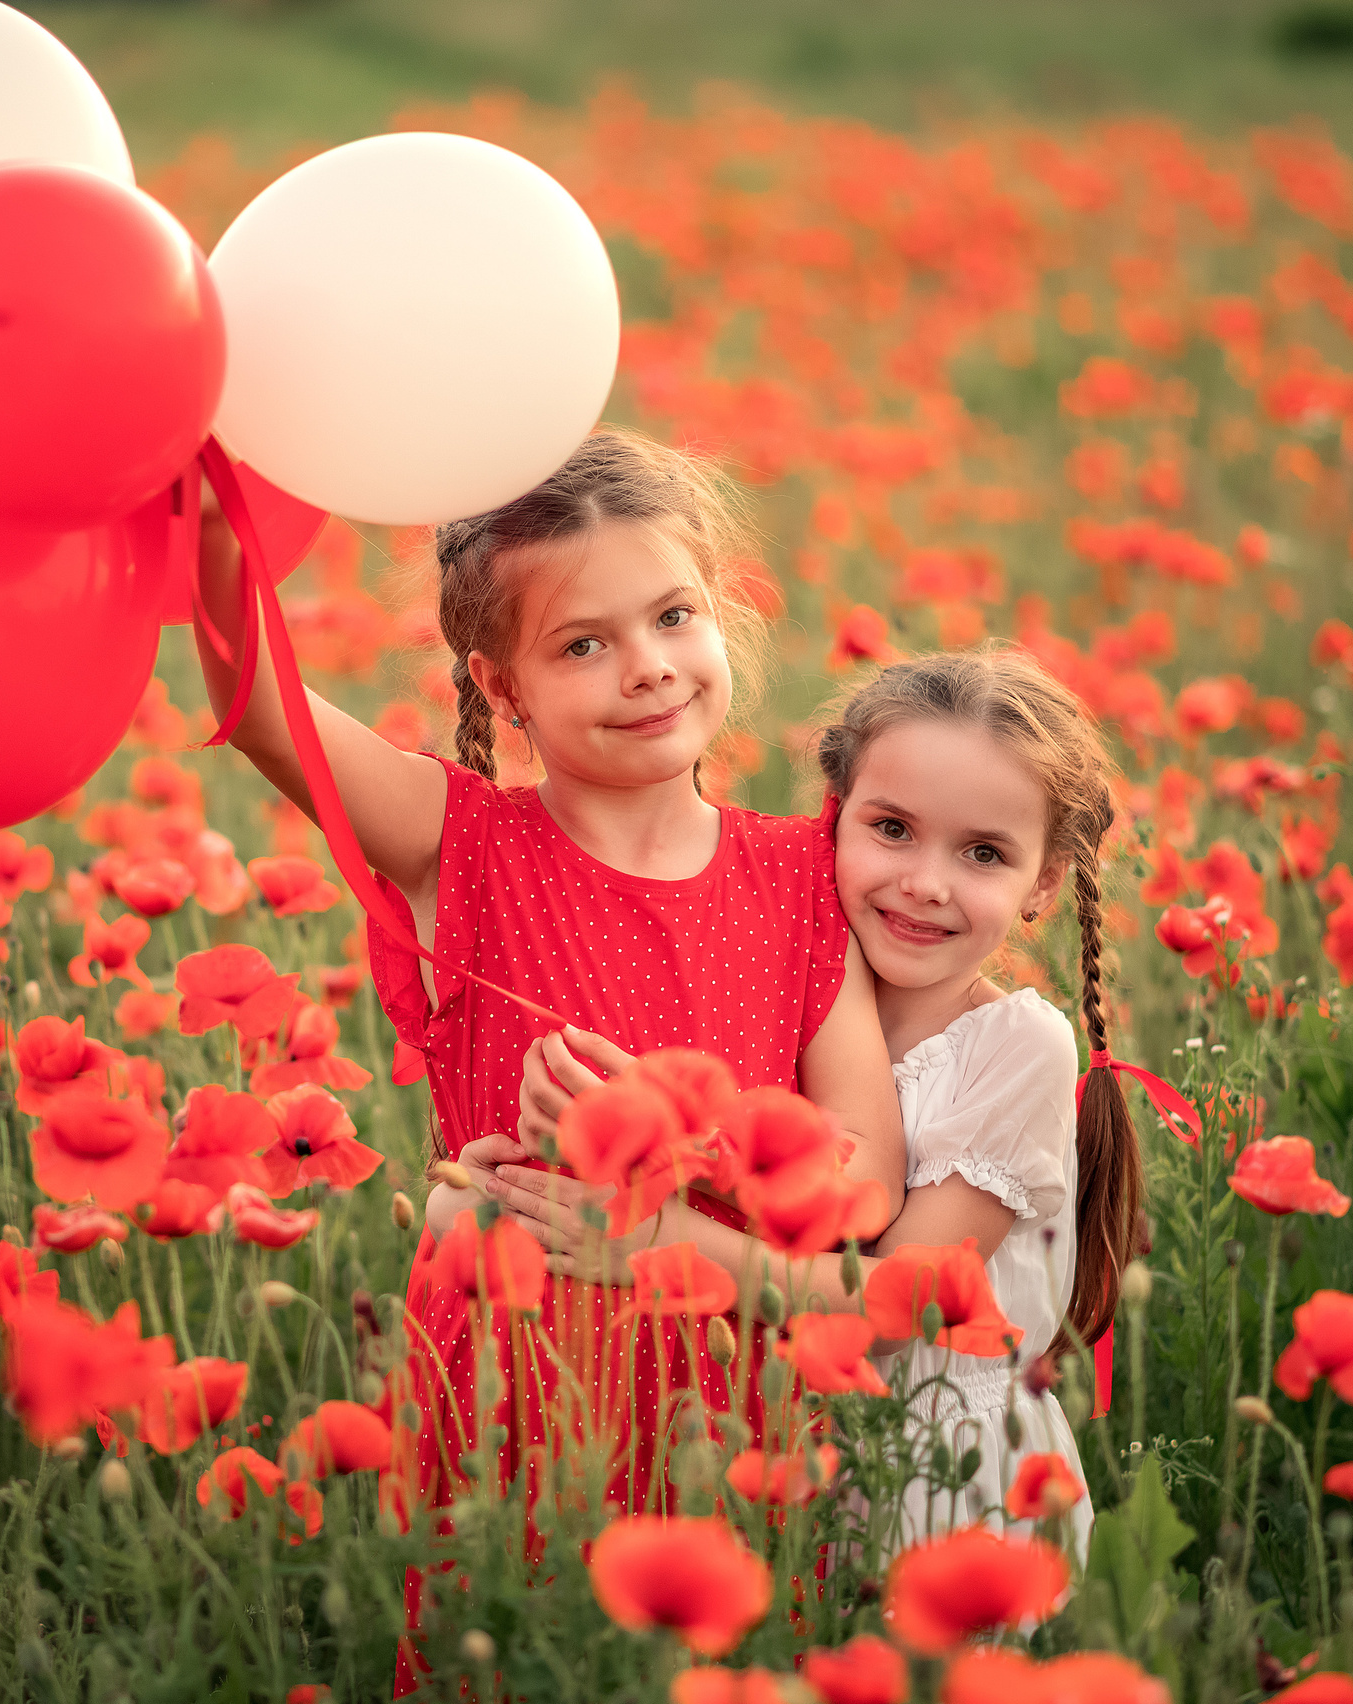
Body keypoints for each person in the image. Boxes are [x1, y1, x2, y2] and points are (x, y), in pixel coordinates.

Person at [192, 428, 904, 1689]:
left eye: (673, 616)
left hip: (728, 1388)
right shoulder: (457, 844)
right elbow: (259, 705)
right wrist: (204, 537)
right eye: (583, 643)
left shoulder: (801, 873)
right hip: (516, 1393)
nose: (646, 669)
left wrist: (664, 1144)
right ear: (502, 685)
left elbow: (862, 1182)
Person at [500, 646, 1137, 1563]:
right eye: (892, 830)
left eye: (984, 853)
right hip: (797, 1464)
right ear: (829, 822)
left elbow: (912, 1301)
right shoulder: (782, 1004)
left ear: (1044, 881)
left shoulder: (1017, 1048)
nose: (924, 881)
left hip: (942, 1487)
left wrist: (657, 1242)